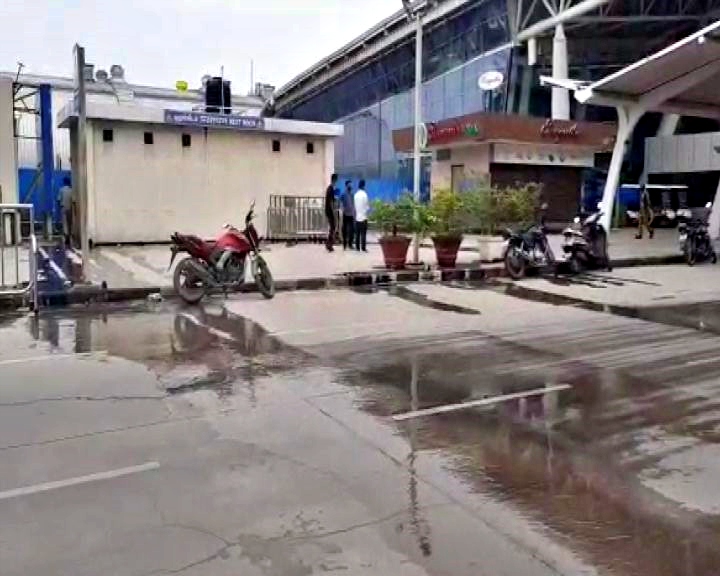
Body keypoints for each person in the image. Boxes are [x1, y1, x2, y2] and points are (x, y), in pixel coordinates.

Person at [354, 179, 369, 252]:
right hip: (363, 217)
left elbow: (355, 206)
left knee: (357, 234)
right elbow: (366, 206)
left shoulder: (355, 195)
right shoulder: (364, 194)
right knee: (363, 233)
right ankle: (363, 248)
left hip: (357, 217)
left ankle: (357, 247)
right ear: (363, 185)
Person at [325, 174, 339, 252]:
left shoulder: (330, 189)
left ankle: (328, 243)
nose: (337, 182)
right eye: (336, 180)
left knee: (332, 227)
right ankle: (329, 244)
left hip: (329, 211)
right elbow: (330, 202)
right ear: (334, 180)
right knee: (333, 227)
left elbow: (332, 200)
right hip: (329, 211)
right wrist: (333, 211)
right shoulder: (330, 189)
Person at [59, 177, 74, 247]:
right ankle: (69, 235)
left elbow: (58, 199)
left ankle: (66, 235)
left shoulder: (61, 190)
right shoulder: (71, 190)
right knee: (69, 222)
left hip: (63, 207)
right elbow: (73, 201)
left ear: (64, 182)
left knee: (64, 223)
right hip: (70, 208)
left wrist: (59, 206)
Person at [341, 180, 355, 250]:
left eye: (351, 185)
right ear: (346, 185)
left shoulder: (352, 194)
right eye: (349, 185)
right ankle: (344, 244)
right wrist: (342, 209)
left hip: (351, 214)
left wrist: (354, 212)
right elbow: (340, 202)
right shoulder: (343, 194)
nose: (351, 186)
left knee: (352, 230)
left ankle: (350, 244)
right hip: (345, 214)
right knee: (345, 230)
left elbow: (353, 204)